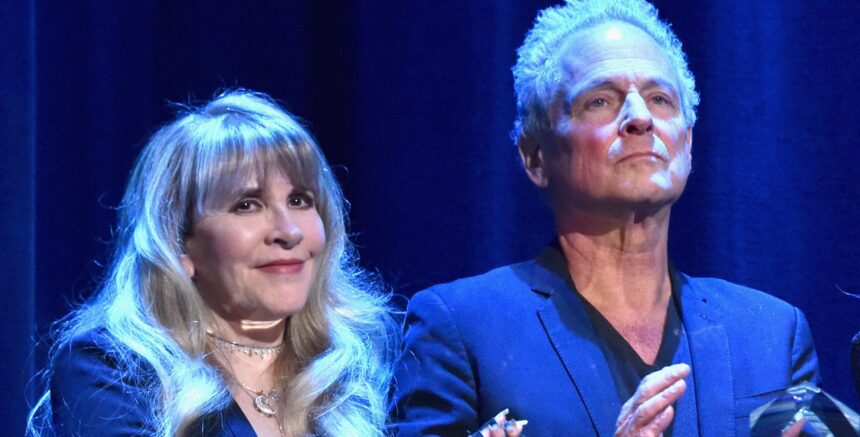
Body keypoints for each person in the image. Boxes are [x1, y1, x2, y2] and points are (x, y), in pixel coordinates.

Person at [389, 1, 820, 436]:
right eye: (600, 101)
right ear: (535, 156)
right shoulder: (461, 330)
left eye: (659, 99)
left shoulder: (771, 334)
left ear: (687, 144)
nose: (640, 118)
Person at [27, 90, 396, 436]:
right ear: (177, 245)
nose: (289, 232)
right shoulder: (112, 370)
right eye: (247, 205)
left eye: (300, 200)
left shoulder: (365, 367)